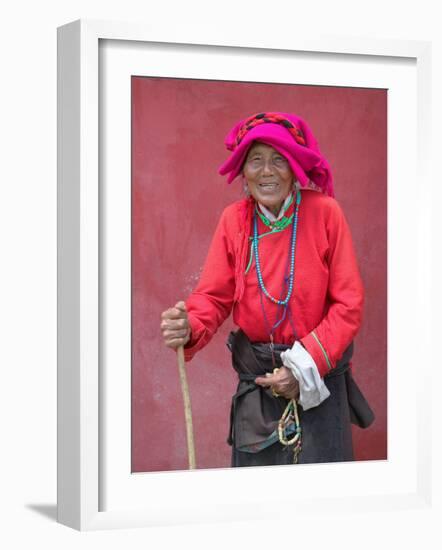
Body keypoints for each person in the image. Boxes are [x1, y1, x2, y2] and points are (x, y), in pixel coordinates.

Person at [160, 111, 374, 467]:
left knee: (320, 501)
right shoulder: (234, 221)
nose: (267, 171)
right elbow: (214, 296)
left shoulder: (326, 214)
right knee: (256, 505)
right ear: (243, 170)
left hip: (317, 376)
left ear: (295, 169)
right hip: (257, 383)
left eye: (279, 159)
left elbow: (348, 305)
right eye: (256, 160)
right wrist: (190, 326)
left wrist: (302, 369)